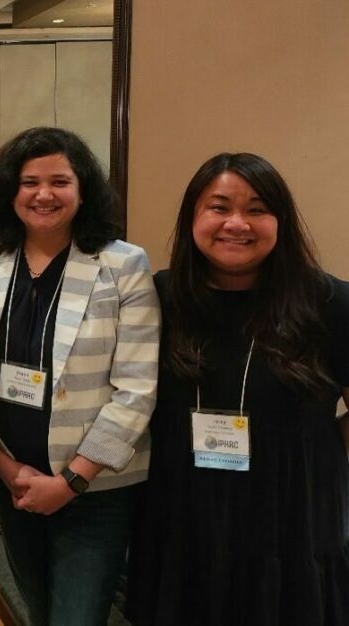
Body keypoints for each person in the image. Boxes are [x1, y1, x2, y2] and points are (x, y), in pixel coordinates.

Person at [126, 153, 349, 625]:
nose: (236, 223)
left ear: (280, 222)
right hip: (182, 520)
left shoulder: (330, 303)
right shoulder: (159, 298)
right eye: (219, 207)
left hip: (292, 523)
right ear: (192, 218)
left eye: (256, 209)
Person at [0, 127, 159, 625]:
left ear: (83, 190)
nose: (43, 194)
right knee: (38, 610)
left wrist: (72, 479)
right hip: (13, 480)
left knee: (77, 617)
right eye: (29, 181)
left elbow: (138, 389)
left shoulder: (123, 265)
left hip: (95, 488)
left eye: (59, 181)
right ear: (9, 191)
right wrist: (6, 468)